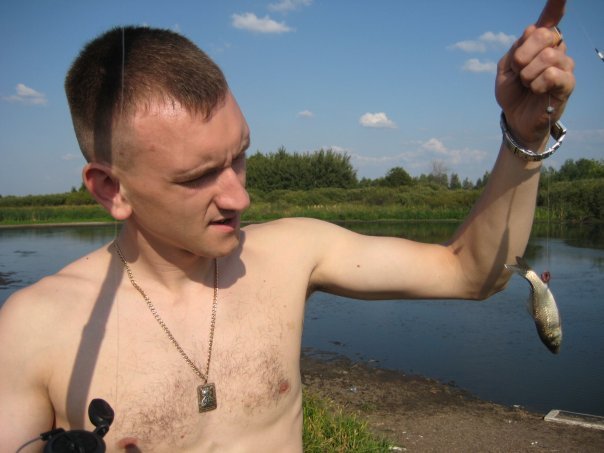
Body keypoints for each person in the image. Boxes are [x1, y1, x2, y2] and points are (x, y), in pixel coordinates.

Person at [0, 0, 575, 451]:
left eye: (240, 156)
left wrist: (525, 135)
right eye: (198, 176)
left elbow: (469, 272)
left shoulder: (292, 252)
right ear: (112, 189)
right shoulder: (34, 330)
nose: (240, 196)